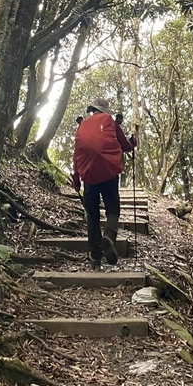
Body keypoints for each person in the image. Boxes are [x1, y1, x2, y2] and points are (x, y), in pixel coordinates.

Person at [71, 97, 137, 267]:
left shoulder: (82, 125)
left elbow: (77, 154)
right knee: (112, 208)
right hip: (108, 172)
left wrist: (76, 179)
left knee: (92, 216)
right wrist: (133, 142)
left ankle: (95, 257)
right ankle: (109, 235)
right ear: (104, 111)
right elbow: (126, 146)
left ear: (92, 110)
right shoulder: (110, 121)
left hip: (89, 176)